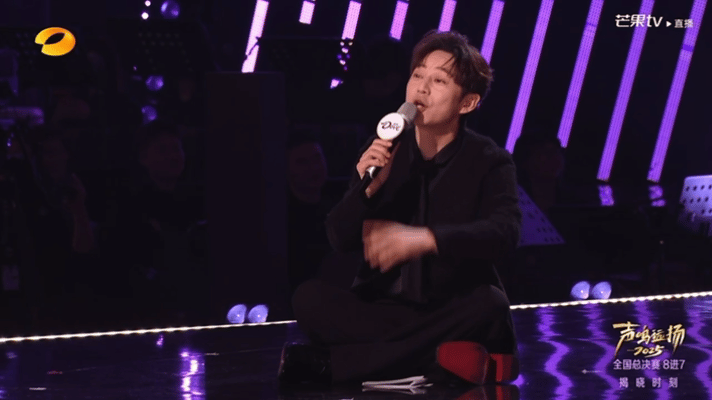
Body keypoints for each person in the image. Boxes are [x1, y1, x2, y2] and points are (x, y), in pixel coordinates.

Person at [279, 30, 522, 386]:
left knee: (490, 304)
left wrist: (426, 239)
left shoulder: (489, 160)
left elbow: (504, 232)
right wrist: (366, 191)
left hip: (452, 305)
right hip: (386, 309)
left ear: (467, 103)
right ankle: (438, 359)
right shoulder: (385, 147)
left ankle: (335, 365)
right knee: (308, 298)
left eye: (439, 80)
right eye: (418, 75)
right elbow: (338, 237)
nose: (421, 88)